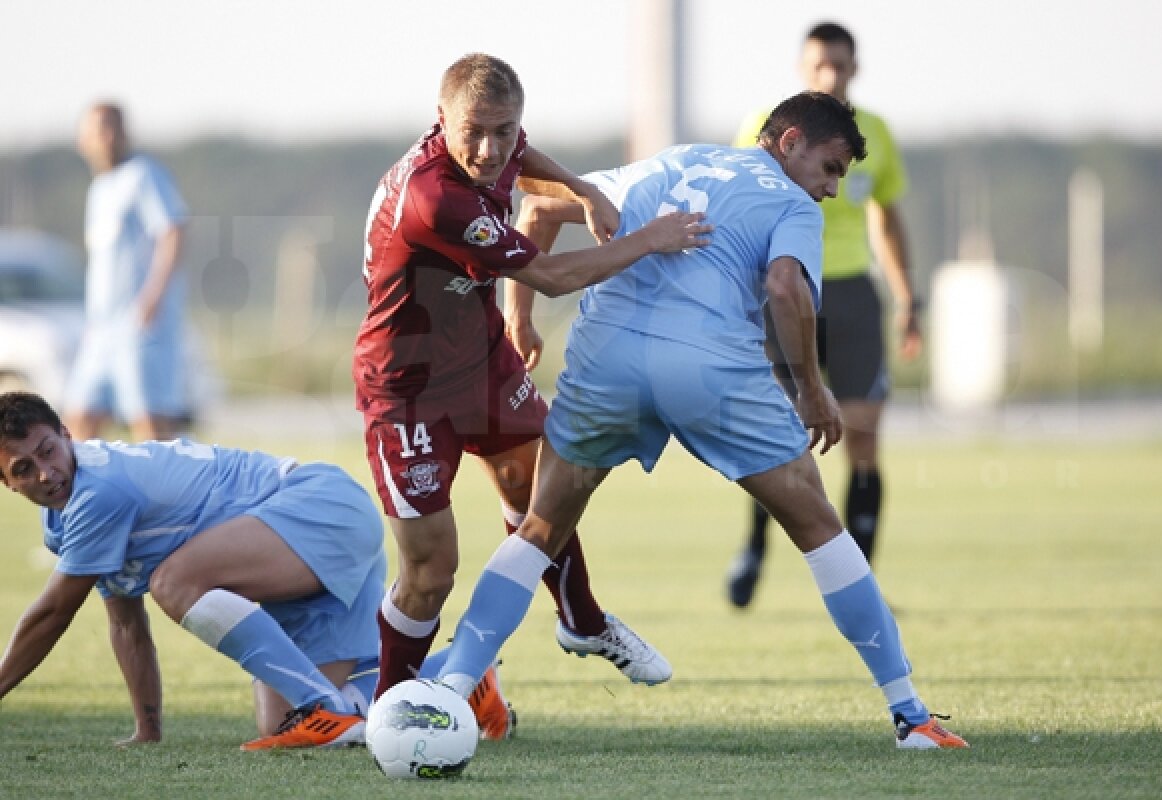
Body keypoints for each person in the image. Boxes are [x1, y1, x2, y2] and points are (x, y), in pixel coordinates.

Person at [431, 91, 968, 751]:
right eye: (830, 168)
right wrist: (811, 389)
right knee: (819, 528)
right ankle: (911, 716)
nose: (831, 189)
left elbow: (539, 203)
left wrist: (519, 316)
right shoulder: (793, 204)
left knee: (541, 528)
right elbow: (783, 287)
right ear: (790, 140)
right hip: (710, 373)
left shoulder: (668, 163)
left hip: (607, 362)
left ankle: (450, 689)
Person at [353, 53, 709, 739]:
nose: (489, 150)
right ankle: (391, 712)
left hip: (481, 363)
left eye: (504, 130)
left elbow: (521, 158)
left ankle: (581, 619)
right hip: (407, 388)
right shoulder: (437, 198)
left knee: (545, 493)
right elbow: (548, 273)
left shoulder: (498, 149)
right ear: (441, 123)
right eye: (474, 133)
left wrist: (581, 189)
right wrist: (648, 240)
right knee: (431, 572)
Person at [0, 391, 388, 751]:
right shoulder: (64, 523)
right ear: (7, 484)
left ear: (67, 435)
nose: (46, 473)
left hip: (322, 510)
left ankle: (323, 707)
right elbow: (125, 624)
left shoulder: (99, 492)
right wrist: (147, 730)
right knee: (279, 722)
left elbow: (53, 614)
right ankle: (439, 674)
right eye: (23, 468)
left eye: (48, 451)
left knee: (174, 582)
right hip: (303, 542)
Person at [726, 22, 923, 608]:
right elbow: (739, 209)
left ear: (854, 69)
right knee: (780, 432)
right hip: (784, 289)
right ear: (803, 71)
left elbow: (886, 218)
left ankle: (861, 575)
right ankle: (756, 547)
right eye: (820, 67)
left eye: (840, 65)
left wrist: (908, 296)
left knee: (862, 429)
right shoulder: (768, 126)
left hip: (853, 291)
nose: (831, 76)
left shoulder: (876, 135)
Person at [66, 103, 191, 444]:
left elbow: (173, 231)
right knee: (79, 418)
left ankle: (168, 496)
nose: (106, 138)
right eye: (98, 130)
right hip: (101, 329)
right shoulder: (99, 189)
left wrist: (153, 297)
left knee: (150, 423)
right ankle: (80, 498)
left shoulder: (143, 174)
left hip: (137, 325)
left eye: (113, 128)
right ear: (82, 141)